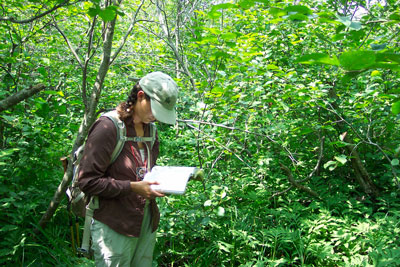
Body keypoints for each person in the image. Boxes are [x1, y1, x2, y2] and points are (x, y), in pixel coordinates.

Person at [78, 71, 179, 266]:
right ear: (140, 96)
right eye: (154, 109)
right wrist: (133, 187)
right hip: (114, 224)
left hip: (145, 220)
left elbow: (147, 171)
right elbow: (87, 181)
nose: (156, 117)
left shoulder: (151, 130)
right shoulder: (108, 128)